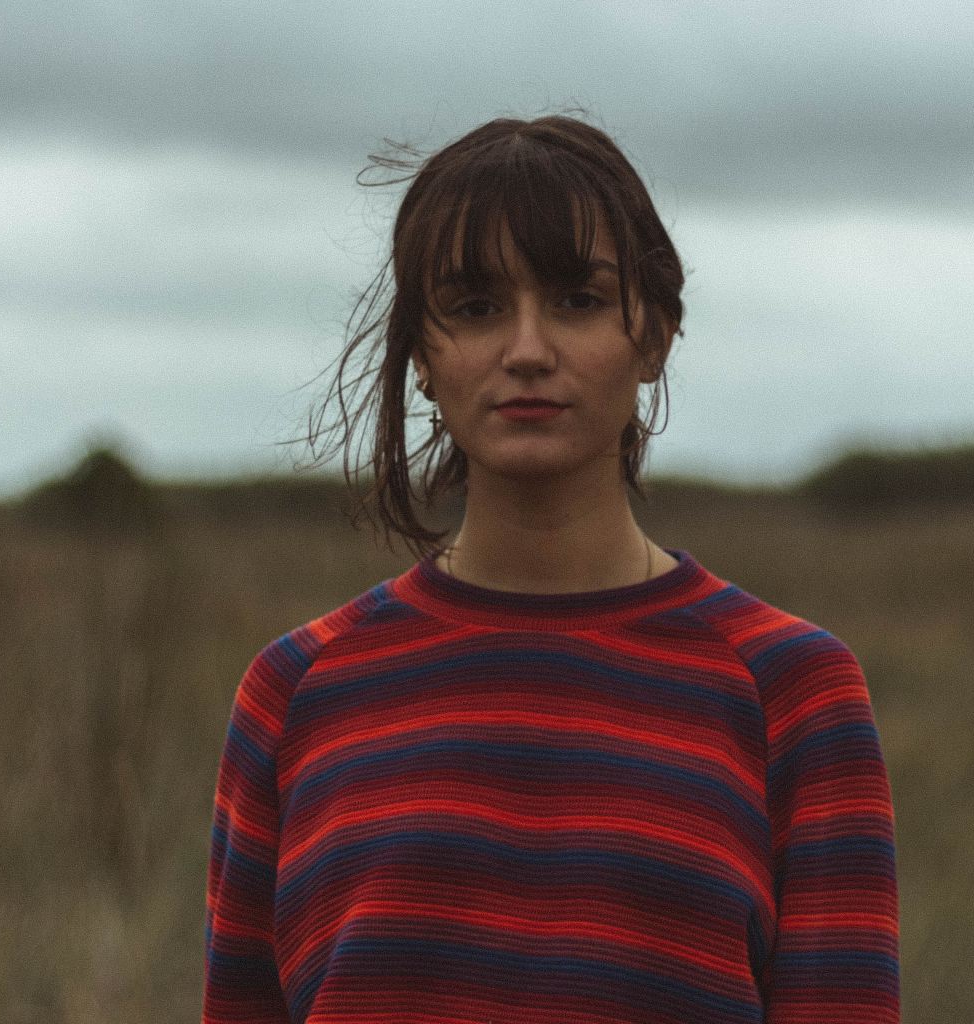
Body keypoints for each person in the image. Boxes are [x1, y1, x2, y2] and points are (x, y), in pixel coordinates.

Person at [203, 114, 899, 1023]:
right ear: (421, 352)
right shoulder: (296, 692)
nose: (527, 351)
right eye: (477, 307)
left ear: (654, 336)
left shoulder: (794, 693)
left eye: (576, 300)